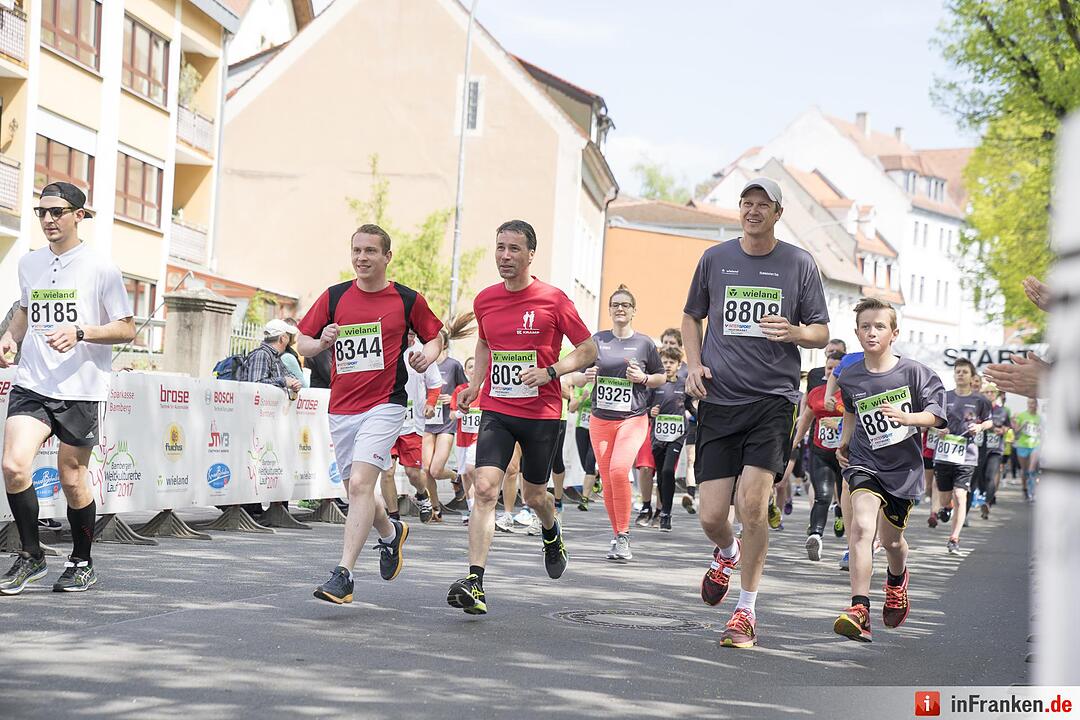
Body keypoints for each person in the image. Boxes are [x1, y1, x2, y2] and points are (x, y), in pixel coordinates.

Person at [683, 177, 830, 648]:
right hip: (720, 398)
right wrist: (692, 365)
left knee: (751, 503)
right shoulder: (715, 258)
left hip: (773, 399)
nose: (751, 211)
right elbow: (692, 316)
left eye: (761, 205)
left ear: (777, 213)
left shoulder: (799, 263)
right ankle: (727, 552)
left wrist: (794, 332)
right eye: (745, 203)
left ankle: (746, 611)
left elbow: (822, 332)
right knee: (710, 516)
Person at [447, 220, 596, 615]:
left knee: (533, 495)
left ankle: (551, 529)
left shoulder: (554, 299)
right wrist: (476, 385)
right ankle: (475, 581)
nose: (505, 256)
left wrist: (551, 372)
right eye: (500, 247)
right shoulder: (486, 300)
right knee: (484, 488)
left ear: (531, 255)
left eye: (514, 249)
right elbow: (483, 342)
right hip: (497, 408)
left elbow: (588, 348)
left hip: (542, 412)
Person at [296, 223, 443, 605]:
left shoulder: (407, 300)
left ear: (387, 257)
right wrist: (321, 341)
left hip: (385, 404)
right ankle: (391, 532)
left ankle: (343, 574)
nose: (362, 258)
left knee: (361, 485)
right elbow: (303, 341)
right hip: (342, 408)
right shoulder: (334, 297)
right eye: (357, 251)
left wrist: (426, 356)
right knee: (355, 492)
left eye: (371, 252)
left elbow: (435, 336)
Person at [0, 182, 135, 594]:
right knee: (13, 465)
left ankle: (81, 560)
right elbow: (25, 308)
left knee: (73, 478)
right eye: (42, 212)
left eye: (57, 212)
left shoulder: (100, 268)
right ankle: (31, 554)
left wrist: (82, 332)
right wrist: (11, 336)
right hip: (33, 382)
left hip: (80, 386)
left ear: (79, 215)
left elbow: (126, 328)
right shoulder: (30, 263)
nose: (48, 220)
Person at [833, 297, 947, 642]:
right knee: (861, 526)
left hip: (903, 469)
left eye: (879, 326)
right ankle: (860, 608)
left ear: (894, 333)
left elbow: (938, 416)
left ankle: (896, 580)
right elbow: (851, 411)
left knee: (891, 541)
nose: (872, 332)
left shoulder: (915, 372)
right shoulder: (850, 375)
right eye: (865, 326)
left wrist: (908, 417)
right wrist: (845, 441)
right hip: (865, 462)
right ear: (856, 332)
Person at [577, 285, 664, 559]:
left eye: (626, 304)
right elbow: (578, 376)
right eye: (615, 304)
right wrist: (587, 375)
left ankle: (624, 534)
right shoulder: (597, 340)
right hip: (600, 418)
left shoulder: (644, 343)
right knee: (608, 477)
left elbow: (661, 376)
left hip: (632, 418)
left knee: (618, 471)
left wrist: (644, 379)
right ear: (610, 309)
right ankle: (617, 536)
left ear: (634, 311)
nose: (620, 309)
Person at [380, 330, 442, 522]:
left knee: (412, 473)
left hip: (412, 422)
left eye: (414, 334)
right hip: (386, 420)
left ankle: (422, 495)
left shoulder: (421, 352)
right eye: (407, 334)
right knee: (387, 471)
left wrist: (431, 404)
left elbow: (435, 383)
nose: (411, 338)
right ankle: (393, 517)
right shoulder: (385, 349)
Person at [789, 350, 845, 561]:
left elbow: (859, 422)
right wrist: (793, 443)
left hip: (846, 455)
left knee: (846, 500)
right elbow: (806, 418)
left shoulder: (853, 393)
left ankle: (848, 538)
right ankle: (816, 536)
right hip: (820, 451)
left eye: (836, 370)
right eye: (828, 369)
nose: (831, 373)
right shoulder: (817, 392)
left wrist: (839, 423)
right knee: (822, 495)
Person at [932, 358, 993, 554]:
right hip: (944, 454)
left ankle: (954, 538)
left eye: (964, 372)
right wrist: (938, 428)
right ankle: (945, 506)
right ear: (954, 374)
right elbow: (933, 420)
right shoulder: (944, 396)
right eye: (957, 371)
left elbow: (989, 422)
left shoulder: (980, 400)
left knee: (960, 495)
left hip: (967, 455)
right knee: (945, 498)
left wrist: (980, 426)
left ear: (972, 376)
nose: (960, 374)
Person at [423, 321, 472, 516]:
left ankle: (455, 476)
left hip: (446, 422)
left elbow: (465, 390)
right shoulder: (424, 363)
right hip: (428, 420)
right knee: (426, 469)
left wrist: (451, 397)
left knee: (436, 470)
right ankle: (435, 508)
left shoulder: (453, 365)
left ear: (443, 344)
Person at [647, 345, 690, 532]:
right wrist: (651, 411)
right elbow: (644, 407)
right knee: (661, 476)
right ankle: (662, 509)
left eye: (672, 362)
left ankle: (666, 513)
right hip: (658, 436)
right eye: (664, 362)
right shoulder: (655, 384)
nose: (668, 365)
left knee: (667, 472)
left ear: (679, 365)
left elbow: (690, 405)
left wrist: (700, 414)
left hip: (677, 435)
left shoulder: (683, 384)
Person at [976, 382, 1009, 518]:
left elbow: (1007, 426)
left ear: (996, 394)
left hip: (995, 449)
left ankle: (987, 503)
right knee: (980, 478)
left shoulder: (1003, 410)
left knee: (991, 476)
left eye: (992, 392)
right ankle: (984, 494)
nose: (990, 394)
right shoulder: (977, 408)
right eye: (987, 392)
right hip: (979, 448)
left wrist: (1003, 430)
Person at [567, 380, 596, 510]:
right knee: (585, 464)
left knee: (590, 463)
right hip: (582, 427)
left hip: (598, 429)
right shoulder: (581, 384)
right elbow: (572, 408)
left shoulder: (601, 383)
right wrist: (582, 398)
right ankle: (597, 476)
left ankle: (584, 499)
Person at [1013, 397, 1042, 501]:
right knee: (1024, 470)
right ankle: (1024, 489)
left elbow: (1042, 433)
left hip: (1035, 445)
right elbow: (1015, 432)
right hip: (1022, 445)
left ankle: (1033, 491)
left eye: (1033, 403)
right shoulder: (1021, 415)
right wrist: (1022, 426)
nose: (1031, 405)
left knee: (1032, 469)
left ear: (1036, 405)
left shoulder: (1039, 418)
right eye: (1029, 403)